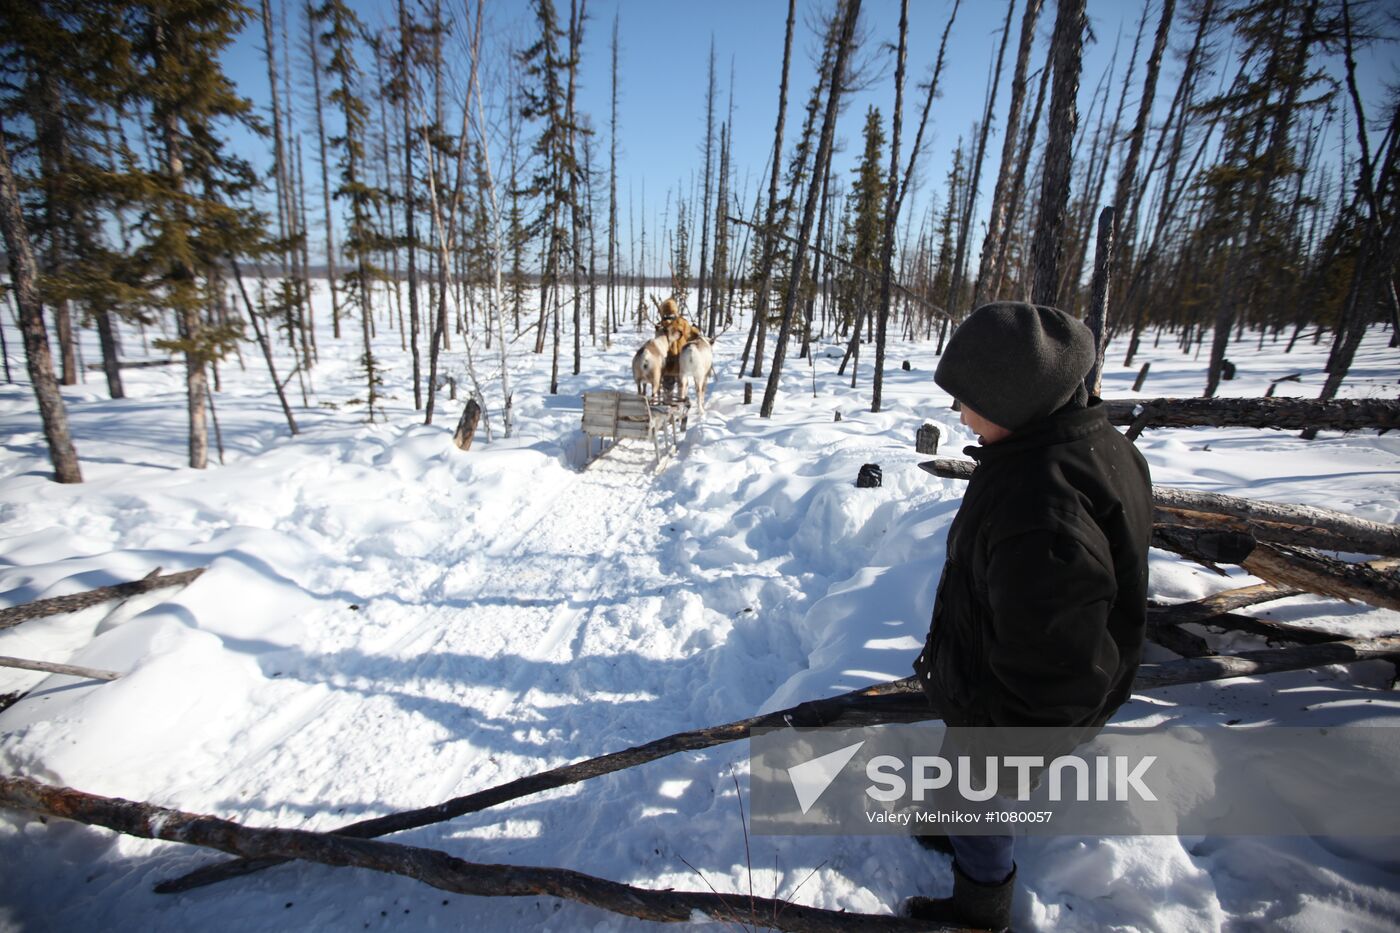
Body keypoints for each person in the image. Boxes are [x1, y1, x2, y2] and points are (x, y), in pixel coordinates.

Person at [901, 302, 1154, 931]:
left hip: (1020, 699)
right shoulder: (1072, 444)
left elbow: (1054, 662)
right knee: (959, 745)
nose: (958, 413)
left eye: (967, 398)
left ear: (1014, 399)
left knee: (978, 790)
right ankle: (943, 825)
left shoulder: (1042, 508)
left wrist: (1003, 754)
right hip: (994, 668)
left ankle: (979, 905)